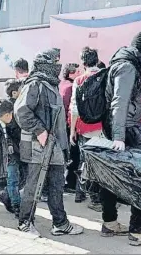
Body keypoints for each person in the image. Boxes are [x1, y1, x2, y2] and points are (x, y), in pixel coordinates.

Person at [101, 32, 141, 247]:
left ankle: (109, 222)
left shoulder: (123, 62)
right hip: (125, 129)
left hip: (119, 127)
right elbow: (120, 101)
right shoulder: (128, 67)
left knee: (111, 175)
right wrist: (119, 136)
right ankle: (138, 231)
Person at [14, 48, 83, 236]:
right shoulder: (35, 84)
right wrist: (40, 130)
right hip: (39, 146)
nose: (58, 66)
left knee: (56, 186)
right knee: (33, 186)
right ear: (46, 64)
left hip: (55, 147)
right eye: (55, 61)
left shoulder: (50, 85)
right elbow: (21, 111)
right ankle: (25, 223)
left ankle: (60, 223)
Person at [69, 47, 103, 209]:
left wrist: (72, 131)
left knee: (84, 162)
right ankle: (97, 199)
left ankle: (79, 193)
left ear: (83, 63)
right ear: (97, 60)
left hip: (84, 129)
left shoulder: (79, 80)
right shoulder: (106, 76)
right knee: (101, 163)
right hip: (103, 129)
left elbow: (74, 108)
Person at [0, 79, 24, 216]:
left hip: (17, 149)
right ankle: (16, 206)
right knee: (13, 179)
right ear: (14, 93)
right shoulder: (10, 109)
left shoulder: (17, 105)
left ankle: (7, 197)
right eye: (21, 89)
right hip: (11, 150)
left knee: (18, 179)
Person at [59, 63, 82, 195]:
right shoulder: (70, 87)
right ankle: (71, 182)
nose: (80, 73)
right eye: (77, 71)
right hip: (69, 125)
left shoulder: (61, 84)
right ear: (71, 73)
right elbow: (71, 108)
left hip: (62, 126)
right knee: (74, 155)